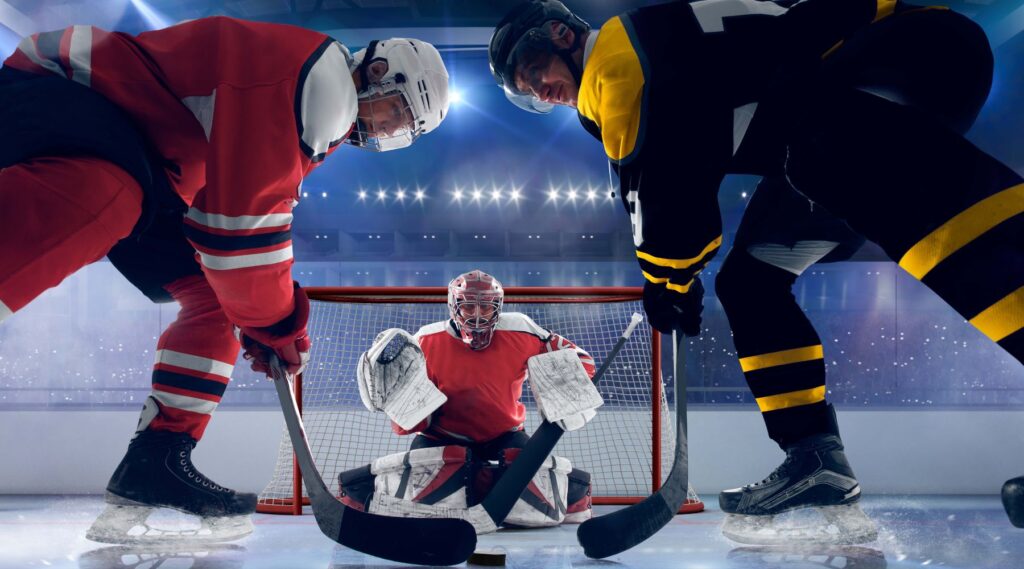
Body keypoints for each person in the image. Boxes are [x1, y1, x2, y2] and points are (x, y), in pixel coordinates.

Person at [489, 0, 1023, 543]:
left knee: (837, 155)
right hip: (841, 101)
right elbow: (666, 193)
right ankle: (815, 455)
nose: (538, 90)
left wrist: (667, 283)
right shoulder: (625, 76)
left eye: (534, 72)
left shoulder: (615, 63)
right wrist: (672, 279)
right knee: (751, 281)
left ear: (560, 35)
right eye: (526, 91)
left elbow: (667, 201)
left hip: (905, 50)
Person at [0, 17, 449, 543]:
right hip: (80, 91)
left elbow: (234, 234)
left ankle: (156, 461)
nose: (384, 133)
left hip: (150, 160)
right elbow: (237, 236)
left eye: (400, 134)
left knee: (218, 304)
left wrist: (262, 317)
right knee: (107, 196)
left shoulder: (321, 109)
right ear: (377, 70)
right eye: (396, 114)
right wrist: (279, 322)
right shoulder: (323, 80)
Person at [346, 269, 600, 530]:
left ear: (497, 308)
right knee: (417, 491)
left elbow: (581, 360)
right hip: (441, 435)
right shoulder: (424, 340)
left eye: (485, 307)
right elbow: (408, 417)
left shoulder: (522, 329)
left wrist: (565, 391)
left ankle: (574, 500)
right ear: (454, 306)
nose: (477, 315)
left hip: (505, 433)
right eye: (468, 306)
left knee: (534, 476)